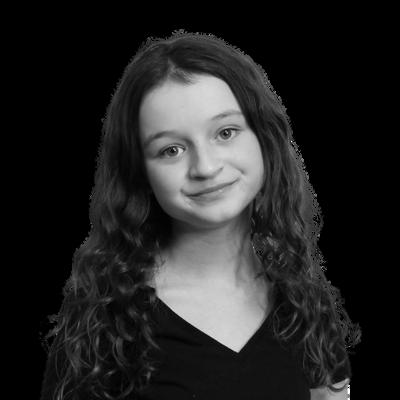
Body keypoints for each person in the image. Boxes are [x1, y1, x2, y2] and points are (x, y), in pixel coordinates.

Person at [40, 30, 361, 400]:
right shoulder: (105, 317)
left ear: (264, 138)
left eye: (225, 132)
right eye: (171, 150)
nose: (205, 167)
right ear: (140, 172)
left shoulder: (305, 299)